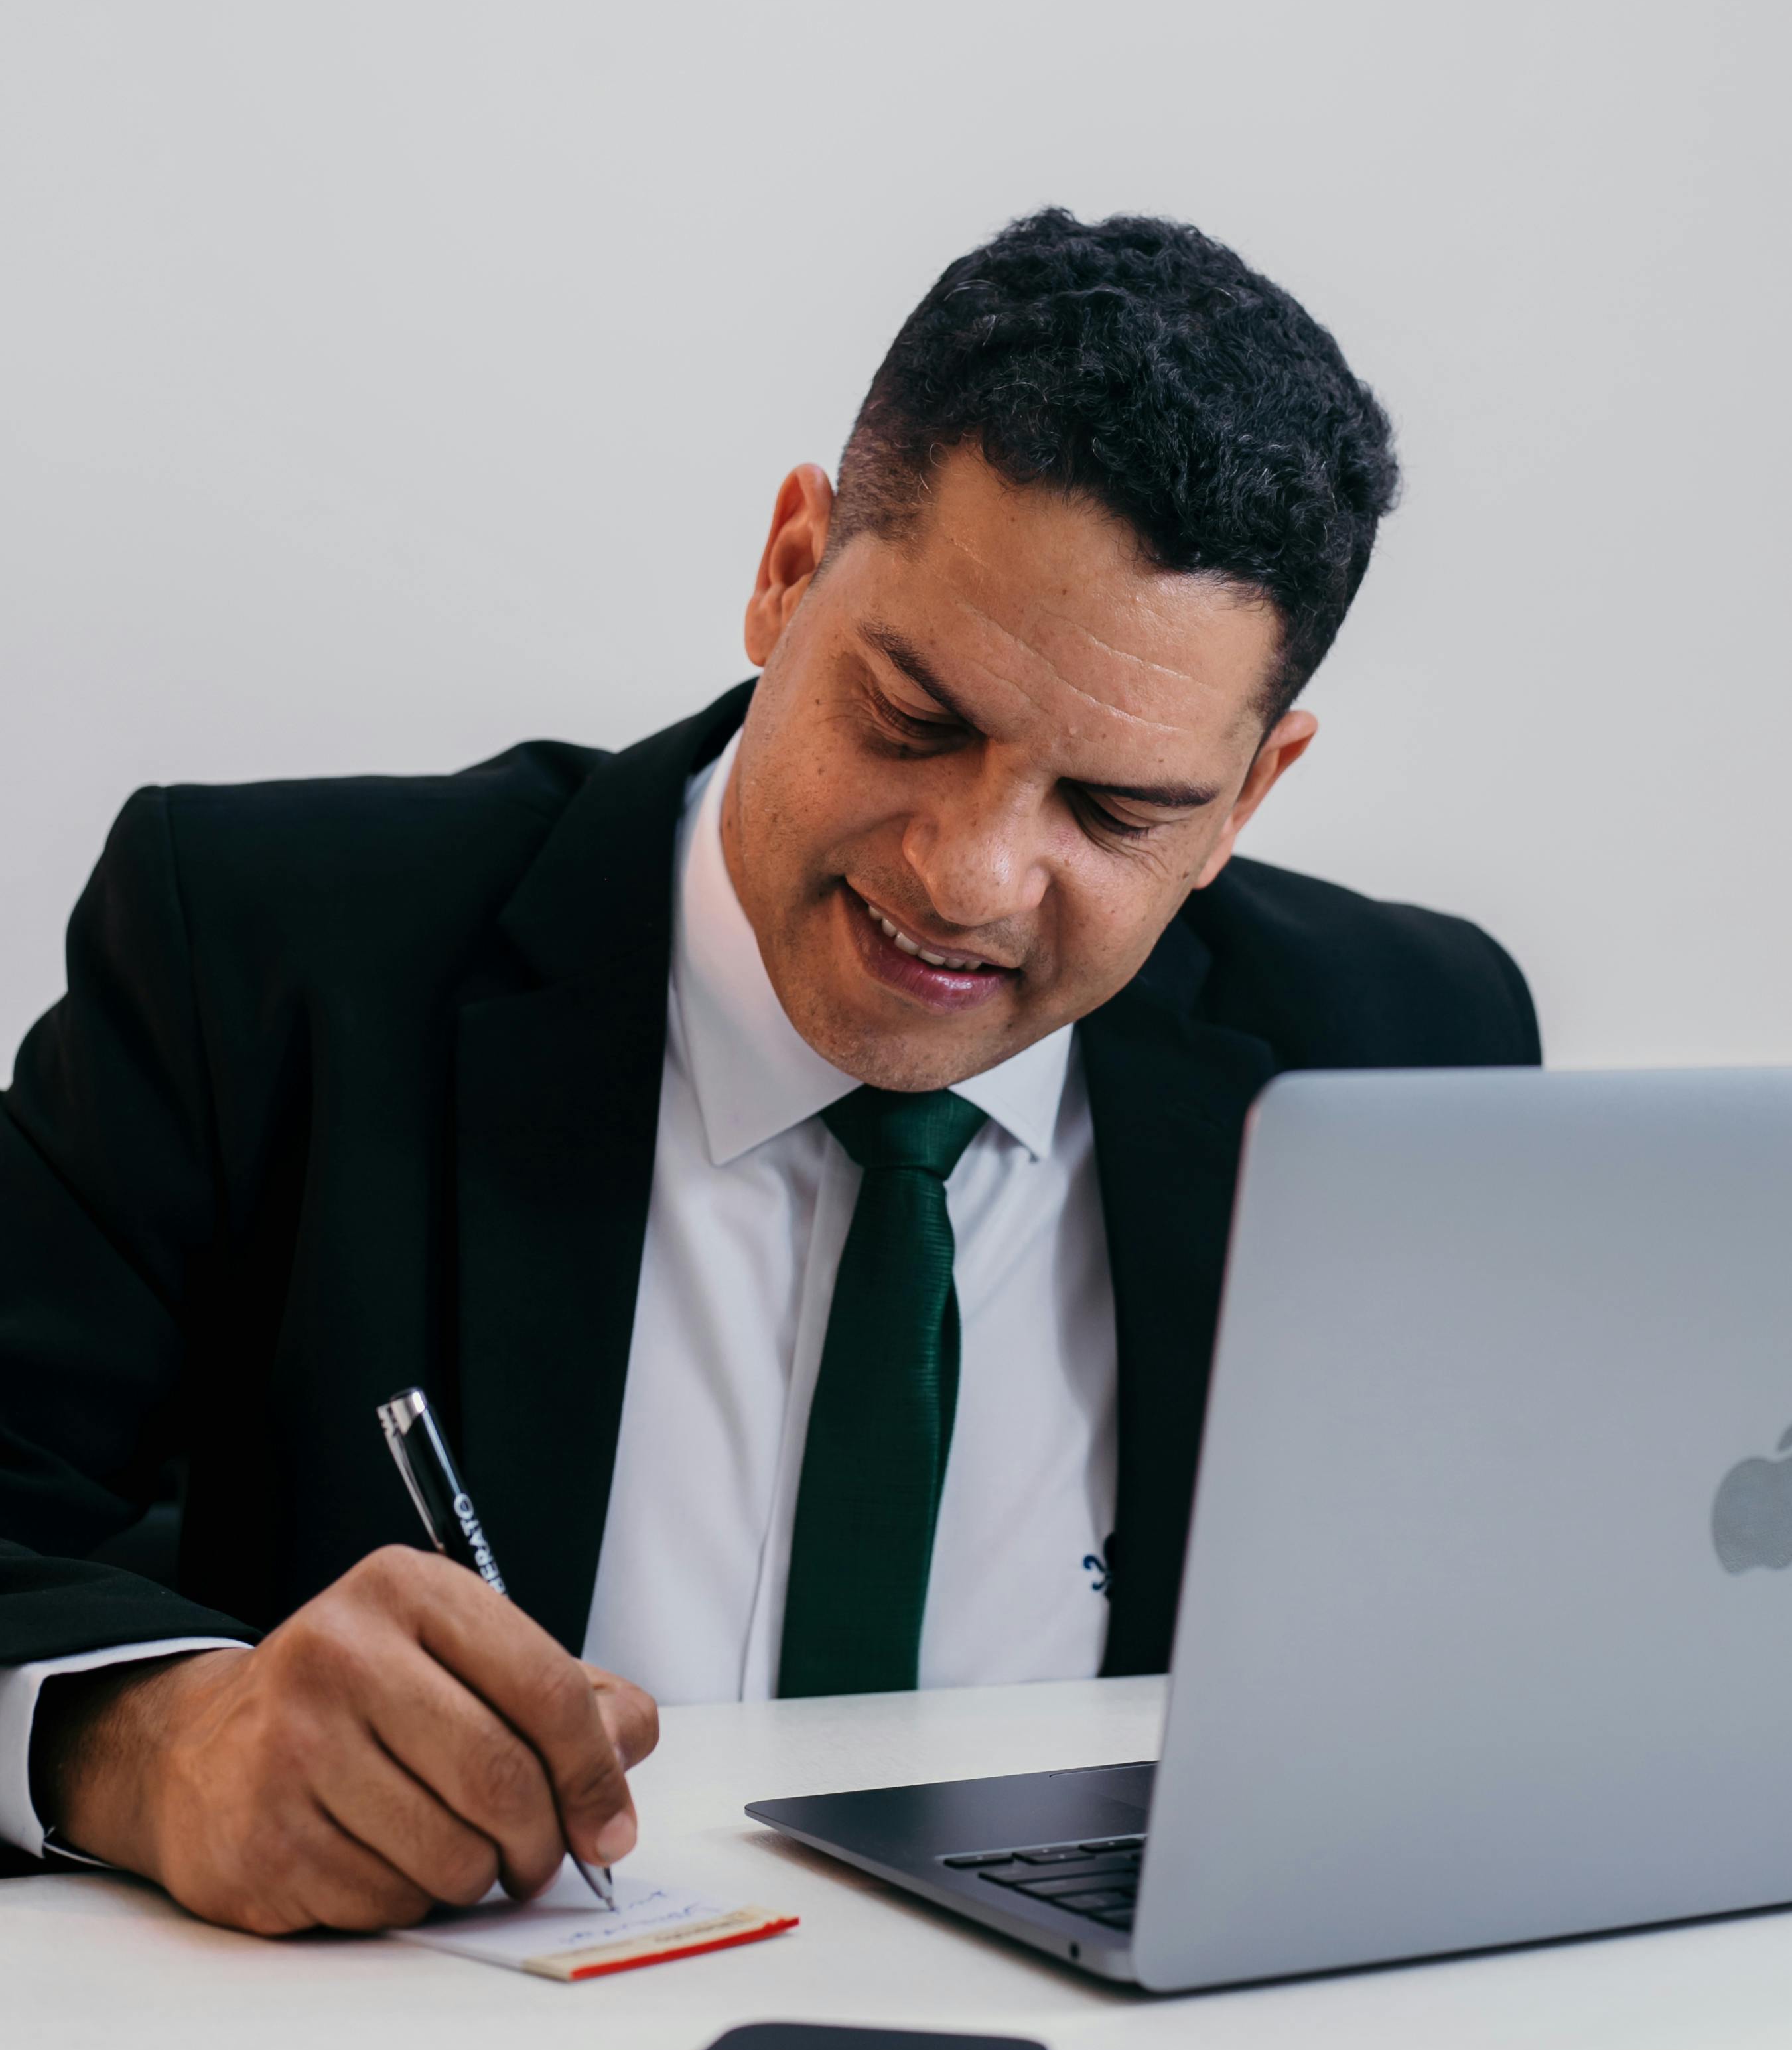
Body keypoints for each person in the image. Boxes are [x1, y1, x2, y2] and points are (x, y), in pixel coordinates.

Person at [0, 208, 1538, 1937]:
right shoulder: (266, 951)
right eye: (913, 713)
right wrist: (155, 1741)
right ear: (790, 565)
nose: (968, 871)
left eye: (1114, 809)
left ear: (1250, 797)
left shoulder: (1408, 1046)